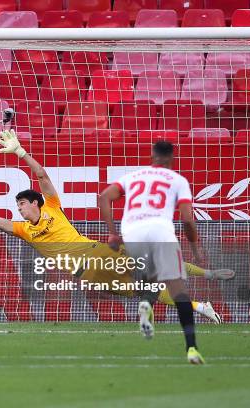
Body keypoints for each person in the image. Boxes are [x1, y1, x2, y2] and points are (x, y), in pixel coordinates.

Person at [0, 130, 233, 324]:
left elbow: (41, 176)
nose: (19, 210)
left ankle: (205, 274)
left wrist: (20, 153)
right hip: (85, 272)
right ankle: (198, 307)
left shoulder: (52, 206)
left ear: (35, 203)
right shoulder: (25, 230)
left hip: (95, 254)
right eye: (18, 207)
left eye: (22, 204)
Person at [99, 141, 206, 364]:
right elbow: (187, 218)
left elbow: (104, 197)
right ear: (172, 158)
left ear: (152, 156)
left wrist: (112, 234)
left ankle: (146, 304)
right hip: (160, 231)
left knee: (152, 278)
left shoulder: (133, 176)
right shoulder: (178, 180)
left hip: (132, 233)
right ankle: (192, 348)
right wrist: (195, 247)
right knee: (178, 291)